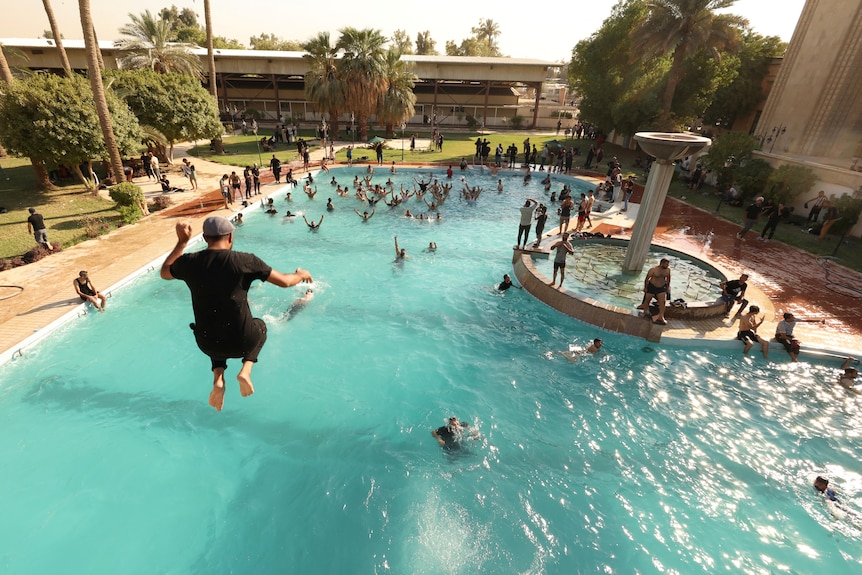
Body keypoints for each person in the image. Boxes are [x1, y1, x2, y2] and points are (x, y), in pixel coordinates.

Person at [160, 217, 313, 411]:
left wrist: (182, 242)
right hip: (243, 341)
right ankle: (246, 370)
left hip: (207, 344)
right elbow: (285, 281)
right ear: (231, 236)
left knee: (211, 329)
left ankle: (218, 379)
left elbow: (165, 272)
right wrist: (301, 274)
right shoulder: (245, 260)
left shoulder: (189, 262)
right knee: (261, 327)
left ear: (205, 237)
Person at [639, 258, 671, 325]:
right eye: (666, 264)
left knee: (663, 302)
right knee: (647, 300)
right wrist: (645, 287)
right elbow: (646, 279)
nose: (667, 266)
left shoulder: (668, 270)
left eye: (668, 264)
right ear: (661, 263)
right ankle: (644, 312)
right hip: (652, 287)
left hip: (661, 288)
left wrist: (667, 287)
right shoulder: (653, 270)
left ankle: (661, 316)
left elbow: (668, 279)